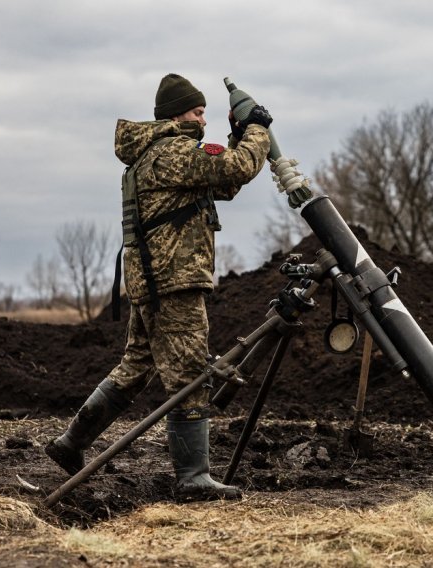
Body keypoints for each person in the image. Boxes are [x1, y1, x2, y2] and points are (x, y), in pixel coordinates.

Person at [45, 73, 273, 500]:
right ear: (177, 114)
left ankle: (69, 444)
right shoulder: (171, 151)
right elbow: (237, 165)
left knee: (135, 368)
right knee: (189, 375)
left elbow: (225, 183)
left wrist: (239, 134)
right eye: (198, 111)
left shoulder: (154, 154)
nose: (203, 119)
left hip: (155, 280)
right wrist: (258, 130)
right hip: (174, 282)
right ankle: (193, 479)